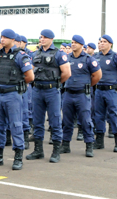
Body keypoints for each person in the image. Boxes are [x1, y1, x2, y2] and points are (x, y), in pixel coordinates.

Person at [0, 29, 33, 170]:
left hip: (13, 94)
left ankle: (18, 157)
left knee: (16, 125)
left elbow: (30, 76)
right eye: (1, 37)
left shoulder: (20, 55)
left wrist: (17, 83)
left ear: (13, 40)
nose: (2, 39)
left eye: (5, 37)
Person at [27, 29, 71, 163]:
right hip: (38, 90)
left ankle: (56, 151)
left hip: (52, 90)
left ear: (51, 39)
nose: (42, 39)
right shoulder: (36, 54)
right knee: (37, 121)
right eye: (41, 37)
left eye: (45, 37)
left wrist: (56, 83)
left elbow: (66, 73)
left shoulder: (59, 54)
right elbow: (32, 71)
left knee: (55, 121)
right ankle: (38, 150)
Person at [60, 35, 101, 157]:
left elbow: (97, 76)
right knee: (67, 120)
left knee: (85, 120)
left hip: (82, 94)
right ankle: (66, 144)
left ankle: (89, 145)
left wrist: (86, 86)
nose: (73, 44)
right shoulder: (66, 58)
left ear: (81, 45)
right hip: (68, 94)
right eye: (72, 42)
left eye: (76, 43)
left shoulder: (89, 59)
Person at [93, 35, 117, 152]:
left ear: (110, 44)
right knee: (98, 115)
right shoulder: (95, 56)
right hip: (99, 90)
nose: (101, 44)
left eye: (104, 42)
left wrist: (113, 81)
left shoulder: (116, 56)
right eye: (100, 42)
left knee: (114, 115)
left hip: (111, 90)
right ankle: (99, 142)